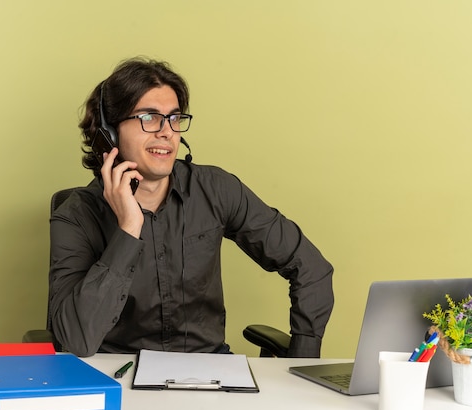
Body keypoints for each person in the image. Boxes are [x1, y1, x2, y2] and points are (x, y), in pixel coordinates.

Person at [49, 57, 334, 358]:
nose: (166, 132)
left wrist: (301, 359)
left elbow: (311, 267)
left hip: (209, 374)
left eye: (174, 118)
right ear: (109, 131)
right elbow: (77, 339)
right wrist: (129, 228)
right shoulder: (75, 215)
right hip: (120, 376)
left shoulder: (215, 189)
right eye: (149, 118)